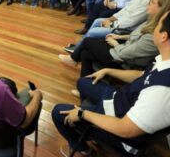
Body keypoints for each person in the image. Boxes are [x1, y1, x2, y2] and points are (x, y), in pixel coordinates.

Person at [52, 10, 170, 157]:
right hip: (121, 100)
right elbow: (142, 75)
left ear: (164, 36)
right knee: (83, 82)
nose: (154, 26)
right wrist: (108, 71)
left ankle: (85, 148)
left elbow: (126, 129)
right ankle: (89, 125)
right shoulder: (164, 60)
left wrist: (84, 114)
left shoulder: (162, 90)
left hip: (121, 129)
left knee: (57, 112)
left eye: (158, 24)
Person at [60, 0, 170, 77]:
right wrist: (119, 36)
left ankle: (73, 58)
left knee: (88, 41)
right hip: (125, 48)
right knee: (85, 54)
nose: (148, 4)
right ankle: (84, 83)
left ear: (162, 8)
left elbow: (125, 54)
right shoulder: (152, 20)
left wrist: (115, 43)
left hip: (124, 61)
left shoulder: (155, 34)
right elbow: (136, 35)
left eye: (152, 2)